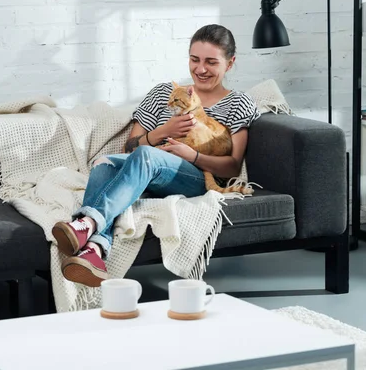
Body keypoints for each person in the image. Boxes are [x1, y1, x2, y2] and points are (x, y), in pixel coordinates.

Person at [52, 24, 261, 288]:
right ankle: (95, 250)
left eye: (211, 62)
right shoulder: (164, 93)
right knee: (104, 163)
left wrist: (192, 155)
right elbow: (130, 147)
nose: (201, 69)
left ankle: (88, 222)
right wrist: (163, 131)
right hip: (146, 169)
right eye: (194, 59)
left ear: (230, 64)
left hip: (192, 177)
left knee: (147, 156)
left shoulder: (238, 103)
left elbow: (231, 167)